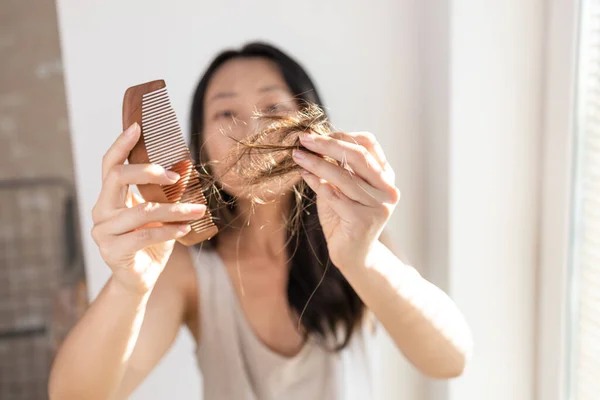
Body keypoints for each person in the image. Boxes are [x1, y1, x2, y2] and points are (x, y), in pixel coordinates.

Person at [49, 42, 472, 400]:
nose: (251, 127)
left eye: (272, 106)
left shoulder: (353, 232)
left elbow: (450, 359)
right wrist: (128, 286)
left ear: (310, 125)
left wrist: (362, 258)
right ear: (198, 146)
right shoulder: (187, 269)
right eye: (224, 113)